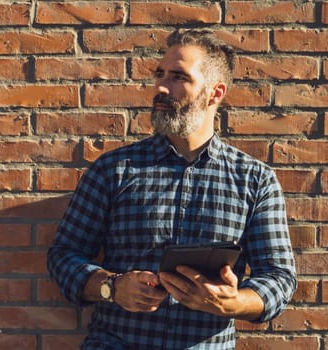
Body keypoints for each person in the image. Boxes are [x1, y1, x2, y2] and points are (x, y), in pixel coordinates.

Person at [47, 29, 296, 349]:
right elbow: (64, 255)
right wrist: (112, 286)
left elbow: (279, 278)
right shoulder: (115, 169)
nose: (161, 87)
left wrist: (232, 303)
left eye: (179, 77)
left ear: (215, 93)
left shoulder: (254, 180)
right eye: (160, 74)